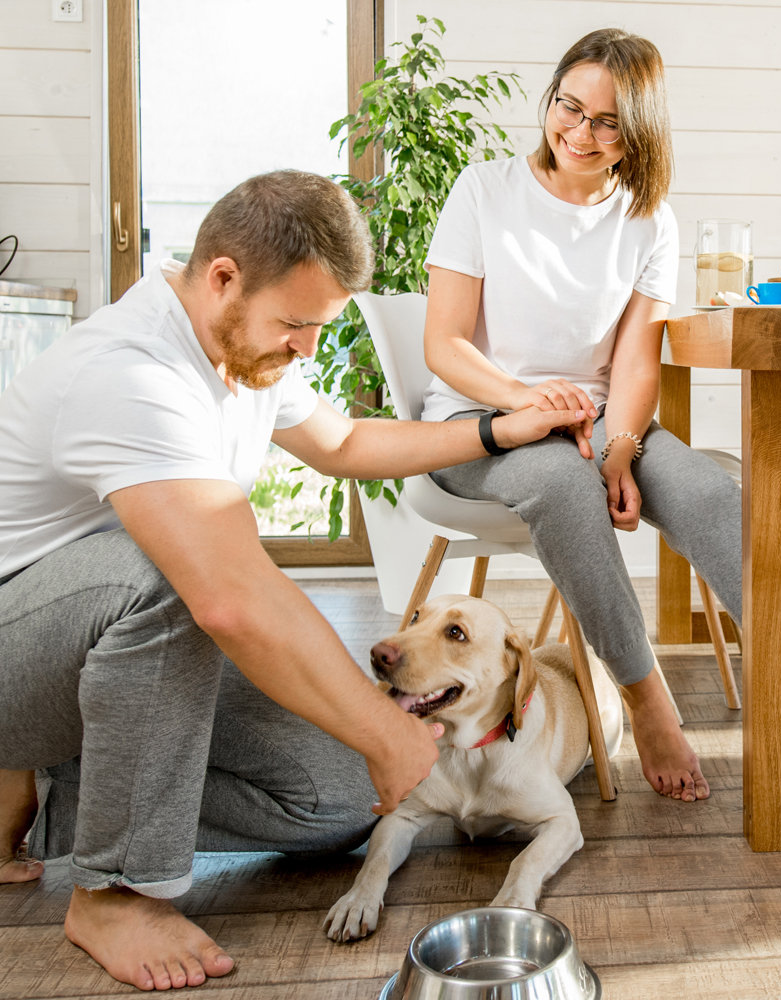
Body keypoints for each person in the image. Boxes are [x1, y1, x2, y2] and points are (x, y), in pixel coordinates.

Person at [0, 170, 591, 992]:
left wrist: (497, 429)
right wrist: (390, 733)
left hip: (104, 662)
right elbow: (229, 598)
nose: (307, 348)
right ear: (223, 278)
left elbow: (345, 443)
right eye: (296, 324)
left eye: (319, 326)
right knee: (177, 573)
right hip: (16, 651)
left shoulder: (241, 350)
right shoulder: (132, 375)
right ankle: (115, 890)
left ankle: (59, 791)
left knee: (345, 795)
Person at [420, 28, 781, 804]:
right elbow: (444, 344)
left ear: (639, 131)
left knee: (714, 496)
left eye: (607, 122)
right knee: (560, 482)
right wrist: (531, 402)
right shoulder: (483, 192)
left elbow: (636, 360)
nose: (580, 133)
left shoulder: (649, 217)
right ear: (550, 99)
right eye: (568, 108)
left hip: (596, 419)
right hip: (479, 422)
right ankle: (647, 700)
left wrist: (619, 448)